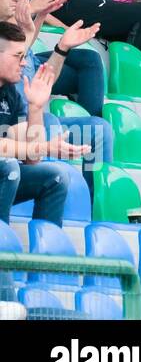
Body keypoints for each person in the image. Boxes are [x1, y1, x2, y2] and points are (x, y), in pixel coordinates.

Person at [0, 23, 86, 225]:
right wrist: (45, 147)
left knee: (55, 176)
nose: (23, 63)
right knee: (8, 166)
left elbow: (32, 160)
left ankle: (47, 249)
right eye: (17, 56)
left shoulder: (10, 92)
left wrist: (36, 107)